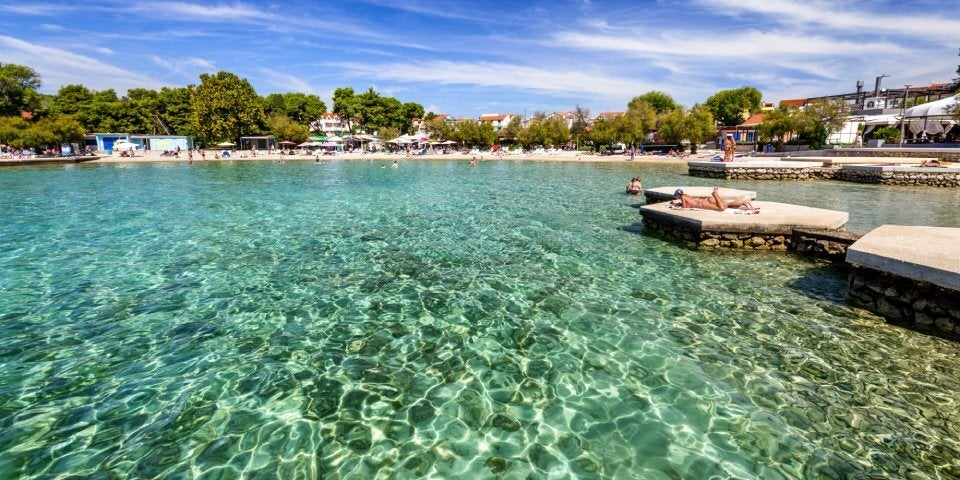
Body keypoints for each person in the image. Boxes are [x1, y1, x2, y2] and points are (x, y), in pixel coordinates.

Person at [672, 188, 757, 212]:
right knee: (727, 205)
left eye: (675, 196)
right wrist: (677, 203)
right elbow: (689, 203)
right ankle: (747, 206)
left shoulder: (683, 197)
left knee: (721, 209)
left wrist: (676, 205)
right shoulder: (687, 195)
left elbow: (684, 207)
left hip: (703, 204)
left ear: (677, 195)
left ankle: (715, 194)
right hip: (706, 200)